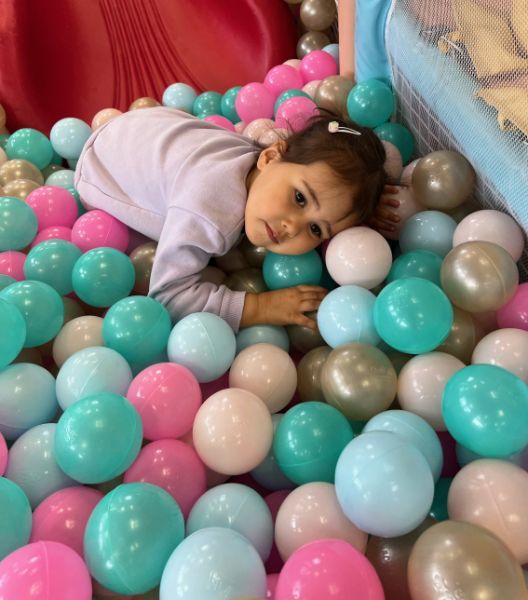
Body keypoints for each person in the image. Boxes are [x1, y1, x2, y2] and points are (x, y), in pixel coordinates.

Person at [74, 107, 398, 332]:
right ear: (270, 155)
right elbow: (167, 297)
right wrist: (261, 307)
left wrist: (362, 206)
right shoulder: (212, 212)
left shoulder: (265, 163)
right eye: (299, 198)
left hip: (138, 127)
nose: (291, 227)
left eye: (316, 229)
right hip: (101, 169)